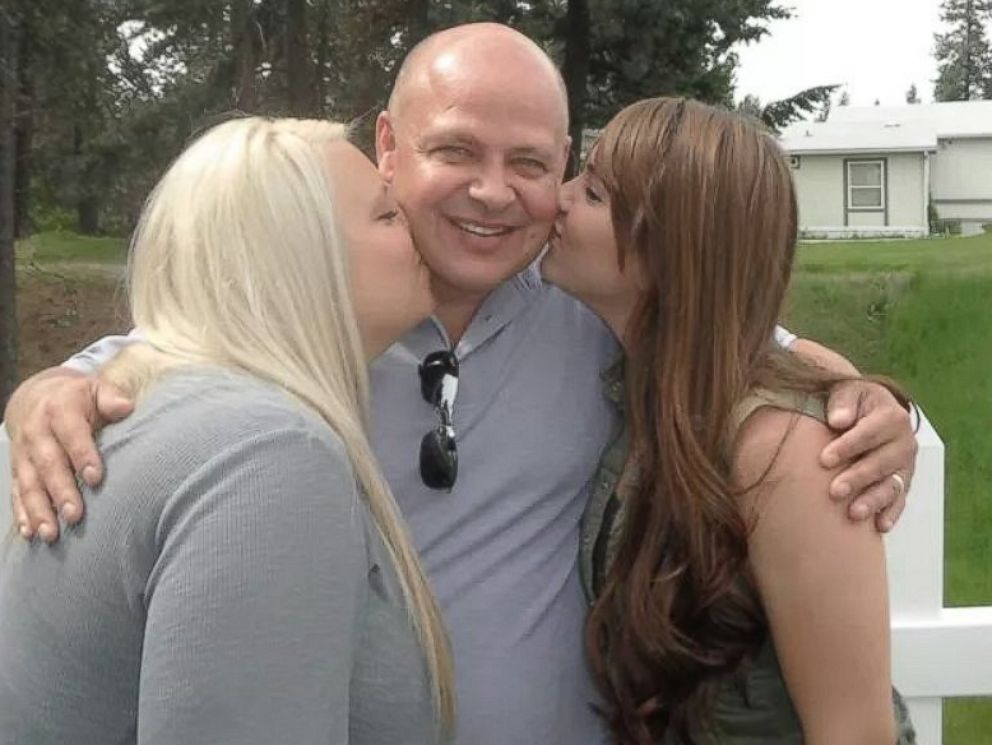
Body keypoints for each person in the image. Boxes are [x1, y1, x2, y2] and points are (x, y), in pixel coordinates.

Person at [3, 24, 918, 745]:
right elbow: (184, 339)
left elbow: (739, 341)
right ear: (390, 145)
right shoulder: (303, 346)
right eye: (457, 153)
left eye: (531, 164)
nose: (497, 193)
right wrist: (46, 388)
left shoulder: (583, 307)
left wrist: (868, 401)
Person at [0, 116, 454, 744]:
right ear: (298, 261)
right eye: (386, 215)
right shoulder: (266, 455)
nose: (415, 227)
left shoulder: (133, 406)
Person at [543, 97, 916, 743]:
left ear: (671, 249)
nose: (560, 197)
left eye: (595, 192)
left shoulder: (786, 452)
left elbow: (855, 731)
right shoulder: (653, 396)